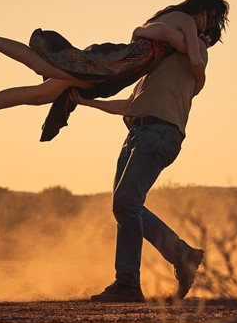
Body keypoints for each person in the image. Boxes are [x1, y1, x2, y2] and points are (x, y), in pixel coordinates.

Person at [0, 0, 229, 143]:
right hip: (111, 63)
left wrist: (159, 35)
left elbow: (151, 33)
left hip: (115, 71)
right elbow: (193, 58)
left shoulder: (175, 24)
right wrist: (200, 77)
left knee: (38, 95)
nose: (208, 27)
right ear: (203, 10)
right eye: (212, 20)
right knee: (42, 67)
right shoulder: (186, 21)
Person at [75, 19, 224, 301]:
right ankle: (177, 258)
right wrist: (84, 101)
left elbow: (169, 32)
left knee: (126, 203)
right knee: (125, 207)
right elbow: (127, 106)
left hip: (158, 133)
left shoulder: (195, 54)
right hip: (138, 133)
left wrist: (145, 31)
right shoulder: (155, 70)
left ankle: (131, 282)